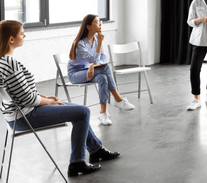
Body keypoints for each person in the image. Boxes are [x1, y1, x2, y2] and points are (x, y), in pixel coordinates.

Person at [0, 20, 120, 177]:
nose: (24, 35)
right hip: (26, 116)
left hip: (18, 114)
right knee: (82, 112)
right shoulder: (10, 64)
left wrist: (45, 97)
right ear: (11, 39)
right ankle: (77, 162)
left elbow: (21, 93)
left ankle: (96, 150)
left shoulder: (3, 61)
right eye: (22, 33)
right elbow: (28, 99)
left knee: (74, 109)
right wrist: (49, 101)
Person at [68, 14, 135, 126]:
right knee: (105, 68)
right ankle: (118, 99)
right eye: (96, 22)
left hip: (90, 71)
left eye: (100, 22)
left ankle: (103, 114)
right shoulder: (80, 43)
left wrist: (92, 66)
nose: (99, 24)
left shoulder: (96, 39)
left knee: (103, 77)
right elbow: (94, 59)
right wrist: (99, 43)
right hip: (75, 74)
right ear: (89, 27)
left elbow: (103, 58)